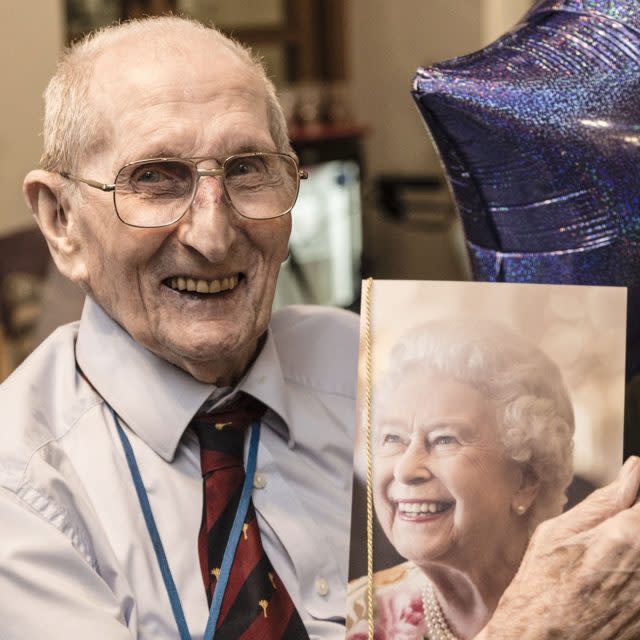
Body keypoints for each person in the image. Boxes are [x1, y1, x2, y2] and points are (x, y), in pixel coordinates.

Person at [1, 14, 640, 640]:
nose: (213, 235)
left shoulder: (375, 368)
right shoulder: (20, 486)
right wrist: (536, 630)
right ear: (60, 220)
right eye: (155, 179)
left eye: (248, 169)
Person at [347, 318, 575, 639]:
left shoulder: (598, 607)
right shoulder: (356, 618)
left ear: (526, 480)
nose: (404, 469)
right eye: (393, 438)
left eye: (444, 439)